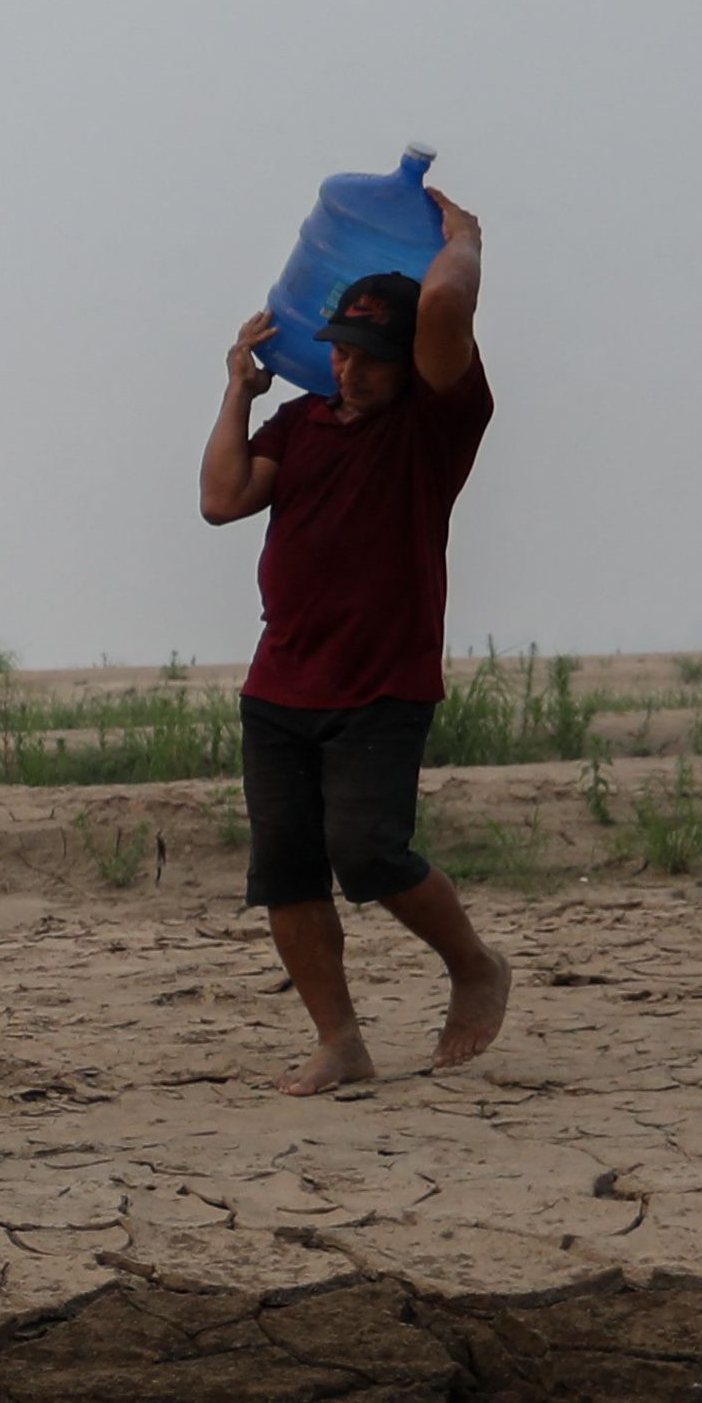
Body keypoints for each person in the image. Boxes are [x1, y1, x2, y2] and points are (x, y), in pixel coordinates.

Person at [202, 191, 508, 1092]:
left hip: (382, 684)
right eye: (337, 350)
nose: (346, 369)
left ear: (409, 362)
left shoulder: (437, 420)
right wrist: (237, 392)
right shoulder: (300, 425)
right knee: (288, 873)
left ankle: (474, 966)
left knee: (370, 853)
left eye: (368, 357)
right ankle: (341, 1041)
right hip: (281, 687)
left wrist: (465, 240)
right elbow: (222, 500)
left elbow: (447, 306)